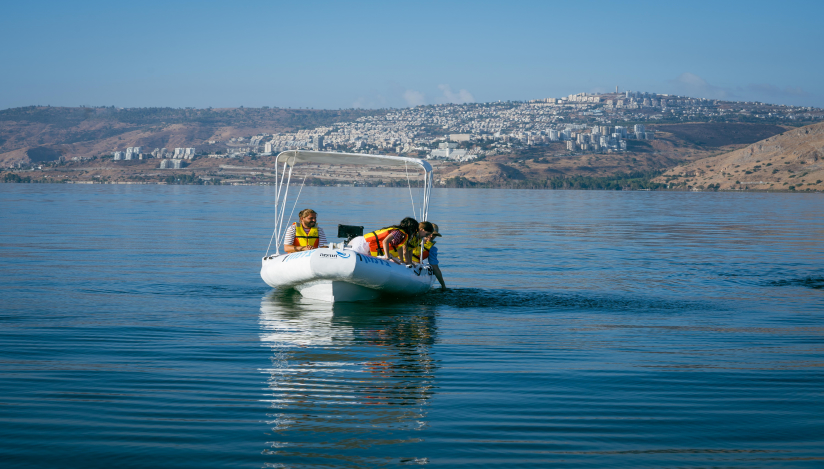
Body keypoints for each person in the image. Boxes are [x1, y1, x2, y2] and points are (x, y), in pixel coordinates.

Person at [411, 222, 446, 289]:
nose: (431, 236)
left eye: (434, 235)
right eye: (430, 233)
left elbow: (435, 267)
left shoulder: (432, 249)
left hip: (415, 264)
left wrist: (443, 285)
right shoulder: (413, 239)